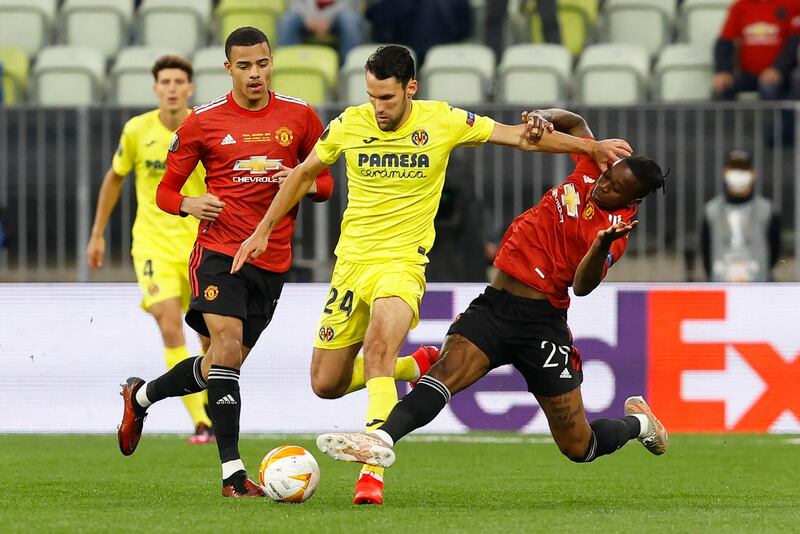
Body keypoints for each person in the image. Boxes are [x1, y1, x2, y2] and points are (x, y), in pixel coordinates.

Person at [232, 46, 632, 505]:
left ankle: (371, 477)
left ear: (410, 89)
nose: (378, 108)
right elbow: (303, 175)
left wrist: (590, 147)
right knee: (327, 383)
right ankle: (415, 366)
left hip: (401, 264)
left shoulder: (442, 121)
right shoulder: (349, 124)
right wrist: (261, 231)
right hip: (351, 266)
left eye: (386, 97)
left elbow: (521, 137)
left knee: (378, 350)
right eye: (371, 96)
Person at [313, 108, 670, 478]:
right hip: (495, 306)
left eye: (614, 186)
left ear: (633, 201)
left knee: (579, 446)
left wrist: (598, 247)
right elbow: (575, 125)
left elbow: (582, 286)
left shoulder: (616, 231)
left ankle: (638, 425)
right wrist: (546, 117)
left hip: (541, 323)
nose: (604, 184)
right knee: (444, 374)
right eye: (609, 174)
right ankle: (381, 440)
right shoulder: (593, 167)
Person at [115, 27, 335, 498]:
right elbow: (165, 192)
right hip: (219, 253)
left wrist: (296, 181)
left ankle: (141, 395)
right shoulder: (202, 122)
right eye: (244, 66)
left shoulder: (299, 116)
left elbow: (327, 186)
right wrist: (190, 205)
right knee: (228, 350)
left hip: (273, 262)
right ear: (228, 68)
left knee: (219, 363)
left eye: (262, 64)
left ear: (271, 62)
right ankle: (232, 475)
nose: (255, 74)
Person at [86, 55, 215, 445]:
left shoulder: (205, 127)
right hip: (152, 245)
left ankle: (210, 408)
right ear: (156, 88)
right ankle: (201, 421)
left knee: (210, 338)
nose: (172, 88)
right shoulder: (136, 130)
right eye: (165, 81)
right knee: (169, 322)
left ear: (190, 88)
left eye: (179, 81)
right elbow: (115, 178)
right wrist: (97, 234)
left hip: (200, 244)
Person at [700, 150, 780, 282]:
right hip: (721, 286)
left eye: (743, 169)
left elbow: (774, 249)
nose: (738, 174)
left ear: (752, 174)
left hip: (758, 286)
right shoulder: (711, 210)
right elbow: (706, 250)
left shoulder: (767, 210)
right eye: (734, 169)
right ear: (726, 173)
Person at [712, 0, 800, 101]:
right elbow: (725, 41)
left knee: (769, 87)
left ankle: (780, 117)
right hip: (749, 75)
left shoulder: (792, 3)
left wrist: (778, 69)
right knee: (721, 87)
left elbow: (794, 42)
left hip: (782, 73)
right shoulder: (740, 6)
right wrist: (723, 70)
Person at [277, 0, 364, 62]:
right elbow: (294, 4)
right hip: (306, 17)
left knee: (350, 19)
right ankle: (288, 65)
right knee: (287, 20)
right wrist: (308, 19)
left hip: (338, 17)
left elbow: (351, 4)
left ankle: (347, 66)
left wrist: (328, 20)